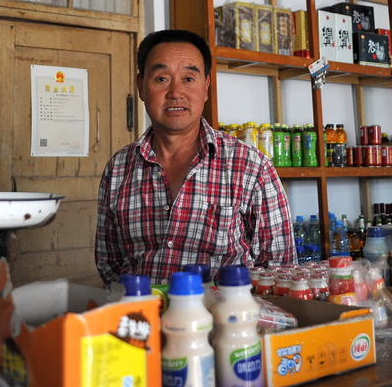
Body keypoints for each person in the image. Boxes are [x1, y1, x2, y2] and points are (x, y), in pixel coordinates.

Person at [95, 29, 296, 285]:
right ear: (141, 87)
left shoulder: (252, 167)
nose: (175, 92)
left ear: (206, 88)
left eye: (189, 79)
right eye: (161, 78)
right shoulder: (119, 168)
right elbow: (109, 263)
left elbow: (280, 268)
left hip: (224, 320)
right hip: (142, 317)